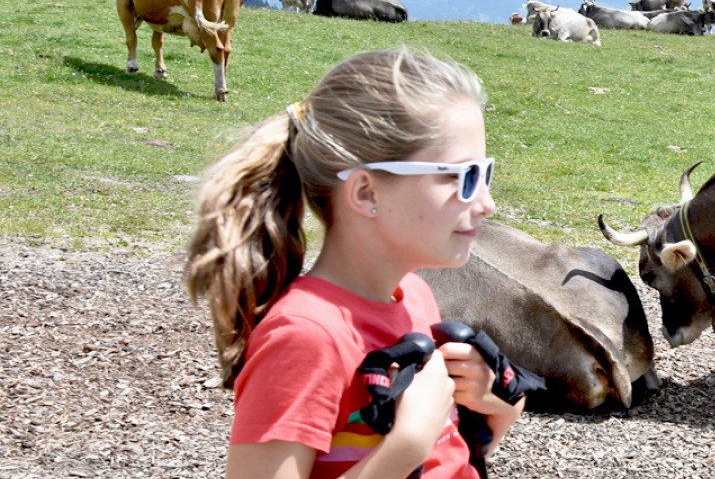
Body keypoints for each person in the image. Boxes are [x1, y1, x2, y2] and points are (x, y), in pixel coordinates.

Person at [185, 48, 522, 478]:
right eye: (463, 177)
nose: (487, 203)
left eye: (485, 173)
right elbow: (411, 450)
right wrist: (406, 445)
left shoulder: (415, 297)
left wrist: (494, 403)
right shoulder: (305, 339)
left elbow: (448, 460)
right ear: (366, 193)